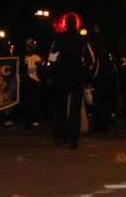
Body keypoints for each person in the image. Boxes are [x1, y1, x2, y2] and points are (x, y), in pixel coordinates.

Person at [48, 13, 93, 148]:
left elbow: (52, 58)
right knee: (75, 108)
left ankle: (61, 136)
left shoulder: (59, 38)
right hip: (77, 76)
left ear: (64, 23)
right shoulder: (82, 40)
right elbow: (91, 60)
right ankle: (73, 140)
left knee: (60, 107)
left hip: (62, 75)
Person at [20, 39, 42, 132]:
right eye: (26, 47)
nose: (27, 49)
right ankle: (26, 122)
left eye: (29, 47)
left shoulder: (37, 58)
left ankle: (35, 119)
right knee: (26, 102)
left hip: (34, 81)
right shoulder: (22, 58)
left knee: (34, 101)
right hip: (25, 82)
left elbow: (40, 70)